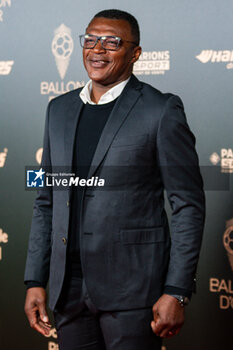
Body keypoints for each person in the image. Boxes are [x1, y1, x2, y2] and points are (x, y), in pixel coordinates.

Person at [24, 9, 205, 350]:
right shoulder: (58, 110)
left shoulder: (160, 110)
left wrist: (177, 291)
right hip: (68, 291)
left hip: (134, 291)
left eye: (112, 42)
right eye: (90, 39)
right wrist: (35, 279)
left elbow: (188, 206)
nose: (98, 49)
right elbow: (45, 197)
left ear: (135, 53)